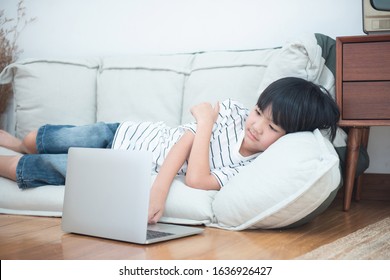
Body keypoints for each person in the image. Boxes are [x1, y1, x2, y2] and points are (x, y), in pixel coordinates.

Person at [0, 77, 340, 223]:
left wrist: (205, 120)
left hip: (123, 163)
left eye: (272, 127)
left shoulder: (247, 169)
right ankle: (16, 142)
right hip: (127, 132)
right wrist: (160, 189)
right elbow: (185, 141)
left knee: (42, 167)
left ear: (287, 138)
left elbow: (196, 178)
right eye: (258, 112)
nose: (255, 126)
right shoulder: (236, 112)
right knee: (40, 139)